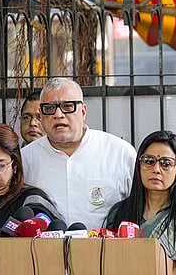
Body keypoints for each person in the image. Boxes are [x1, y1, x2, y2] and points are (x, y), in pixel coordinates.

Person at [21, 77, 136, 229]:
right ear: (41, 116)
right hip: (42, 252)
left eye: (68, 106)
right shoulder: (25, 158)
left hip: (107, 251)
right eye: (49, 108)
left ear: (83, 112)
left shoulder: (120, 153)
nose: (58, 115)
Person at [105, 130, 176, 270]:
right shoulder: (119, 212)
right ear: (139, 166)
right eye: (149, 161)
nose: (156, 169)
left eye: (166, 163)